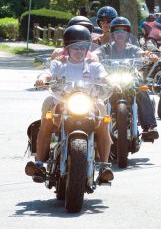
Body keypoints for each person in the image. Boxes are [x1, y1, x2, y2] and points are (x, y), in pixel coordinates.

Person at [25, 25, 114, 183]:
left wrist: (111, 82)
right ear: (67, 48)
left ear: (87, 48)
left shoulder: (94, 65)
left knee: (103, 112)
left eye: (82, 47)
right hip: (63, 101)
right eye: (74, 47)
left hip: (89, 102)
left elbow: (104, 76)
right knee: (47, 110)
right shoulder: (59, 64)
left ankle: (105, 165)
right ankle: (39, 162)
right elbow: (47, 72)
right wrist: (43, 79)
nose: (79, 51)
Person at [95, 16, 159, 140]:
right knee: (98, 93)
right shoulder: (106, 48)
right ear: (112, 33)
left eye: (123, 31)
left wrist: (149, 55)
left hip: (129, 78)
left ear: (127, 33)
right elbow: (96, 53)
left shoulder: (133, 48)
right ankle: (96, 126)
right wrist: (92, 57)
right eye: (117, 31)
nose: (120, 33)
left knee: (142, 90)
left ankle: (149, 127)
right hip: (112, 79)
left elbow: (141, 53)